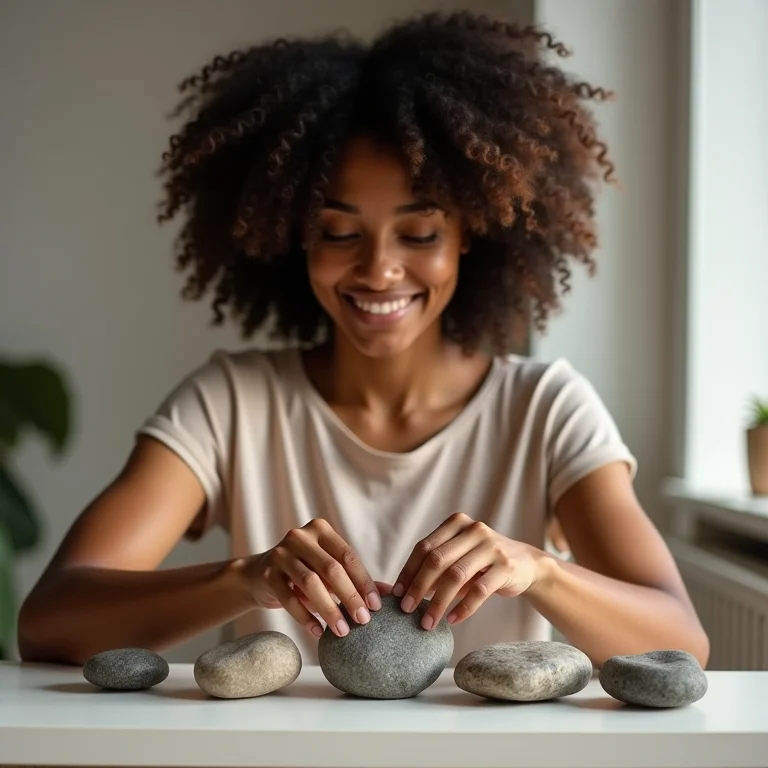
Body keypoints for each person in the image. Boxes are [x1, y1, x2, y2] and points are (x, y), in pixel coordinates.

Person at [18, 11, 709, 669]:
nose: (379, 268)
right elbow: (50, 622)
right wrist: (245, 579)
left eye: (419, 233)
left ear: (469, 233)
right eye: (340, 233)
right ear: (296, 235)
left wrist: (539, 570)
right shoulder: (233, 402)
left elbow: (682, 642)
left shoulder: (546, 409)